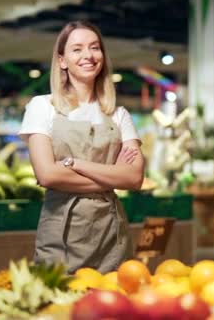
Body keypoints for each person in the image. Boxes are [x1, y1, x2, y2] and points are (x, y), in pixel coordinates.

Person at [18, 21, 144, 273]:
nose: (88, 55)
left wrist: (74, 164)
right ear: (62, 60)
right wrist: (112, 177)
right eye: (77, 49)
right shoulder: (42, 106)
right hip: (60, 234)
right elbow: (47, 174)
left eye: (94, 47)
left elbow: (134, 177)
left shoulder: (119, 114)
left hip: (112, 234)